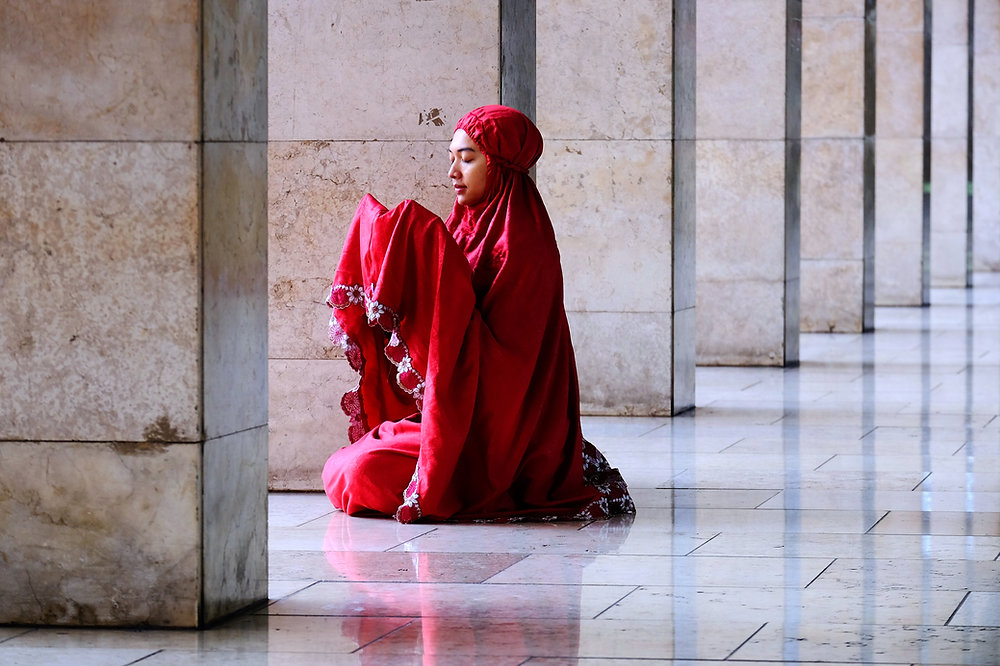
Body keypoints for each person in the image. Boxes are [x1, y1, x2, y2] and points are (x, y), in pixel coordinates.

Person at [322, 105, 634, 523]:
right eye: (451, 158)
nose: (453, 172)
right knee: (341, 468)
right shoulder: (463, 223)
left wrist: (422, 242)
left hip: (498, 435)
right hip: (455, 410)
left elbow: (508, 373)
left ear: (500, 166)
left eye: (467, 159)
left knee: (360, 474)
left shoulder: (525, 245)